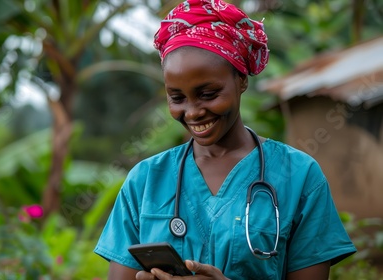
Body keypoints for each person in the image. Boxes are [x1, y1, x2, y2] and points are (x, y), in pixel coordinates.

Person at [94, 0, 357, 279]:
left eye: (208, 94)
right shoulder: (145, 181)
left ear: (241, 79)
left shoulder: (300, 177)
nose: (193, 112)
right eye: (177, 98)